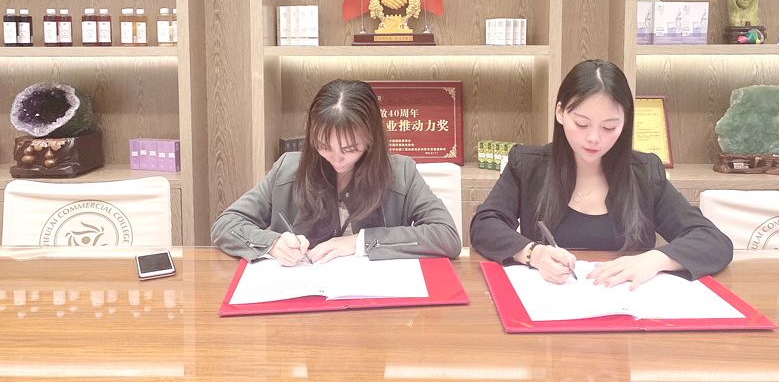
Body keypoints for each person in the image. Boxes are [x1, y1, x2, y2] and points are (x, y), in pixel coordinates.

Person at [470, 60, 732, 290]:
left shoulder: (644, 173)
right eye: (581, 124)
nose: (593, 138)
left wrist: (654, 260)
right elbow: (484, 225)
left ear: (625, 122)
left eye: (609, 127)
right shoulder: (528, 165)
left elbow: (713, 241)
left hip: (627, 307)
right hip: (552, 301)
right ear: (560, 112)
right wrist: (532, 254)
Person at [211, 79, 461, 265]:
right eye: (324, 146)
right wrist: (273, 244)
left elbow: (447, 236)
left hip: (376, 302)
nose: (337, 159)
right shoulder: (288, 169)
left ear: (370, 139)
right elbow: (226, 224)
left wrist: (359, 241)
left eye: (350, 148)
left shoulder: (401, 173)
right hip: (303, 301)